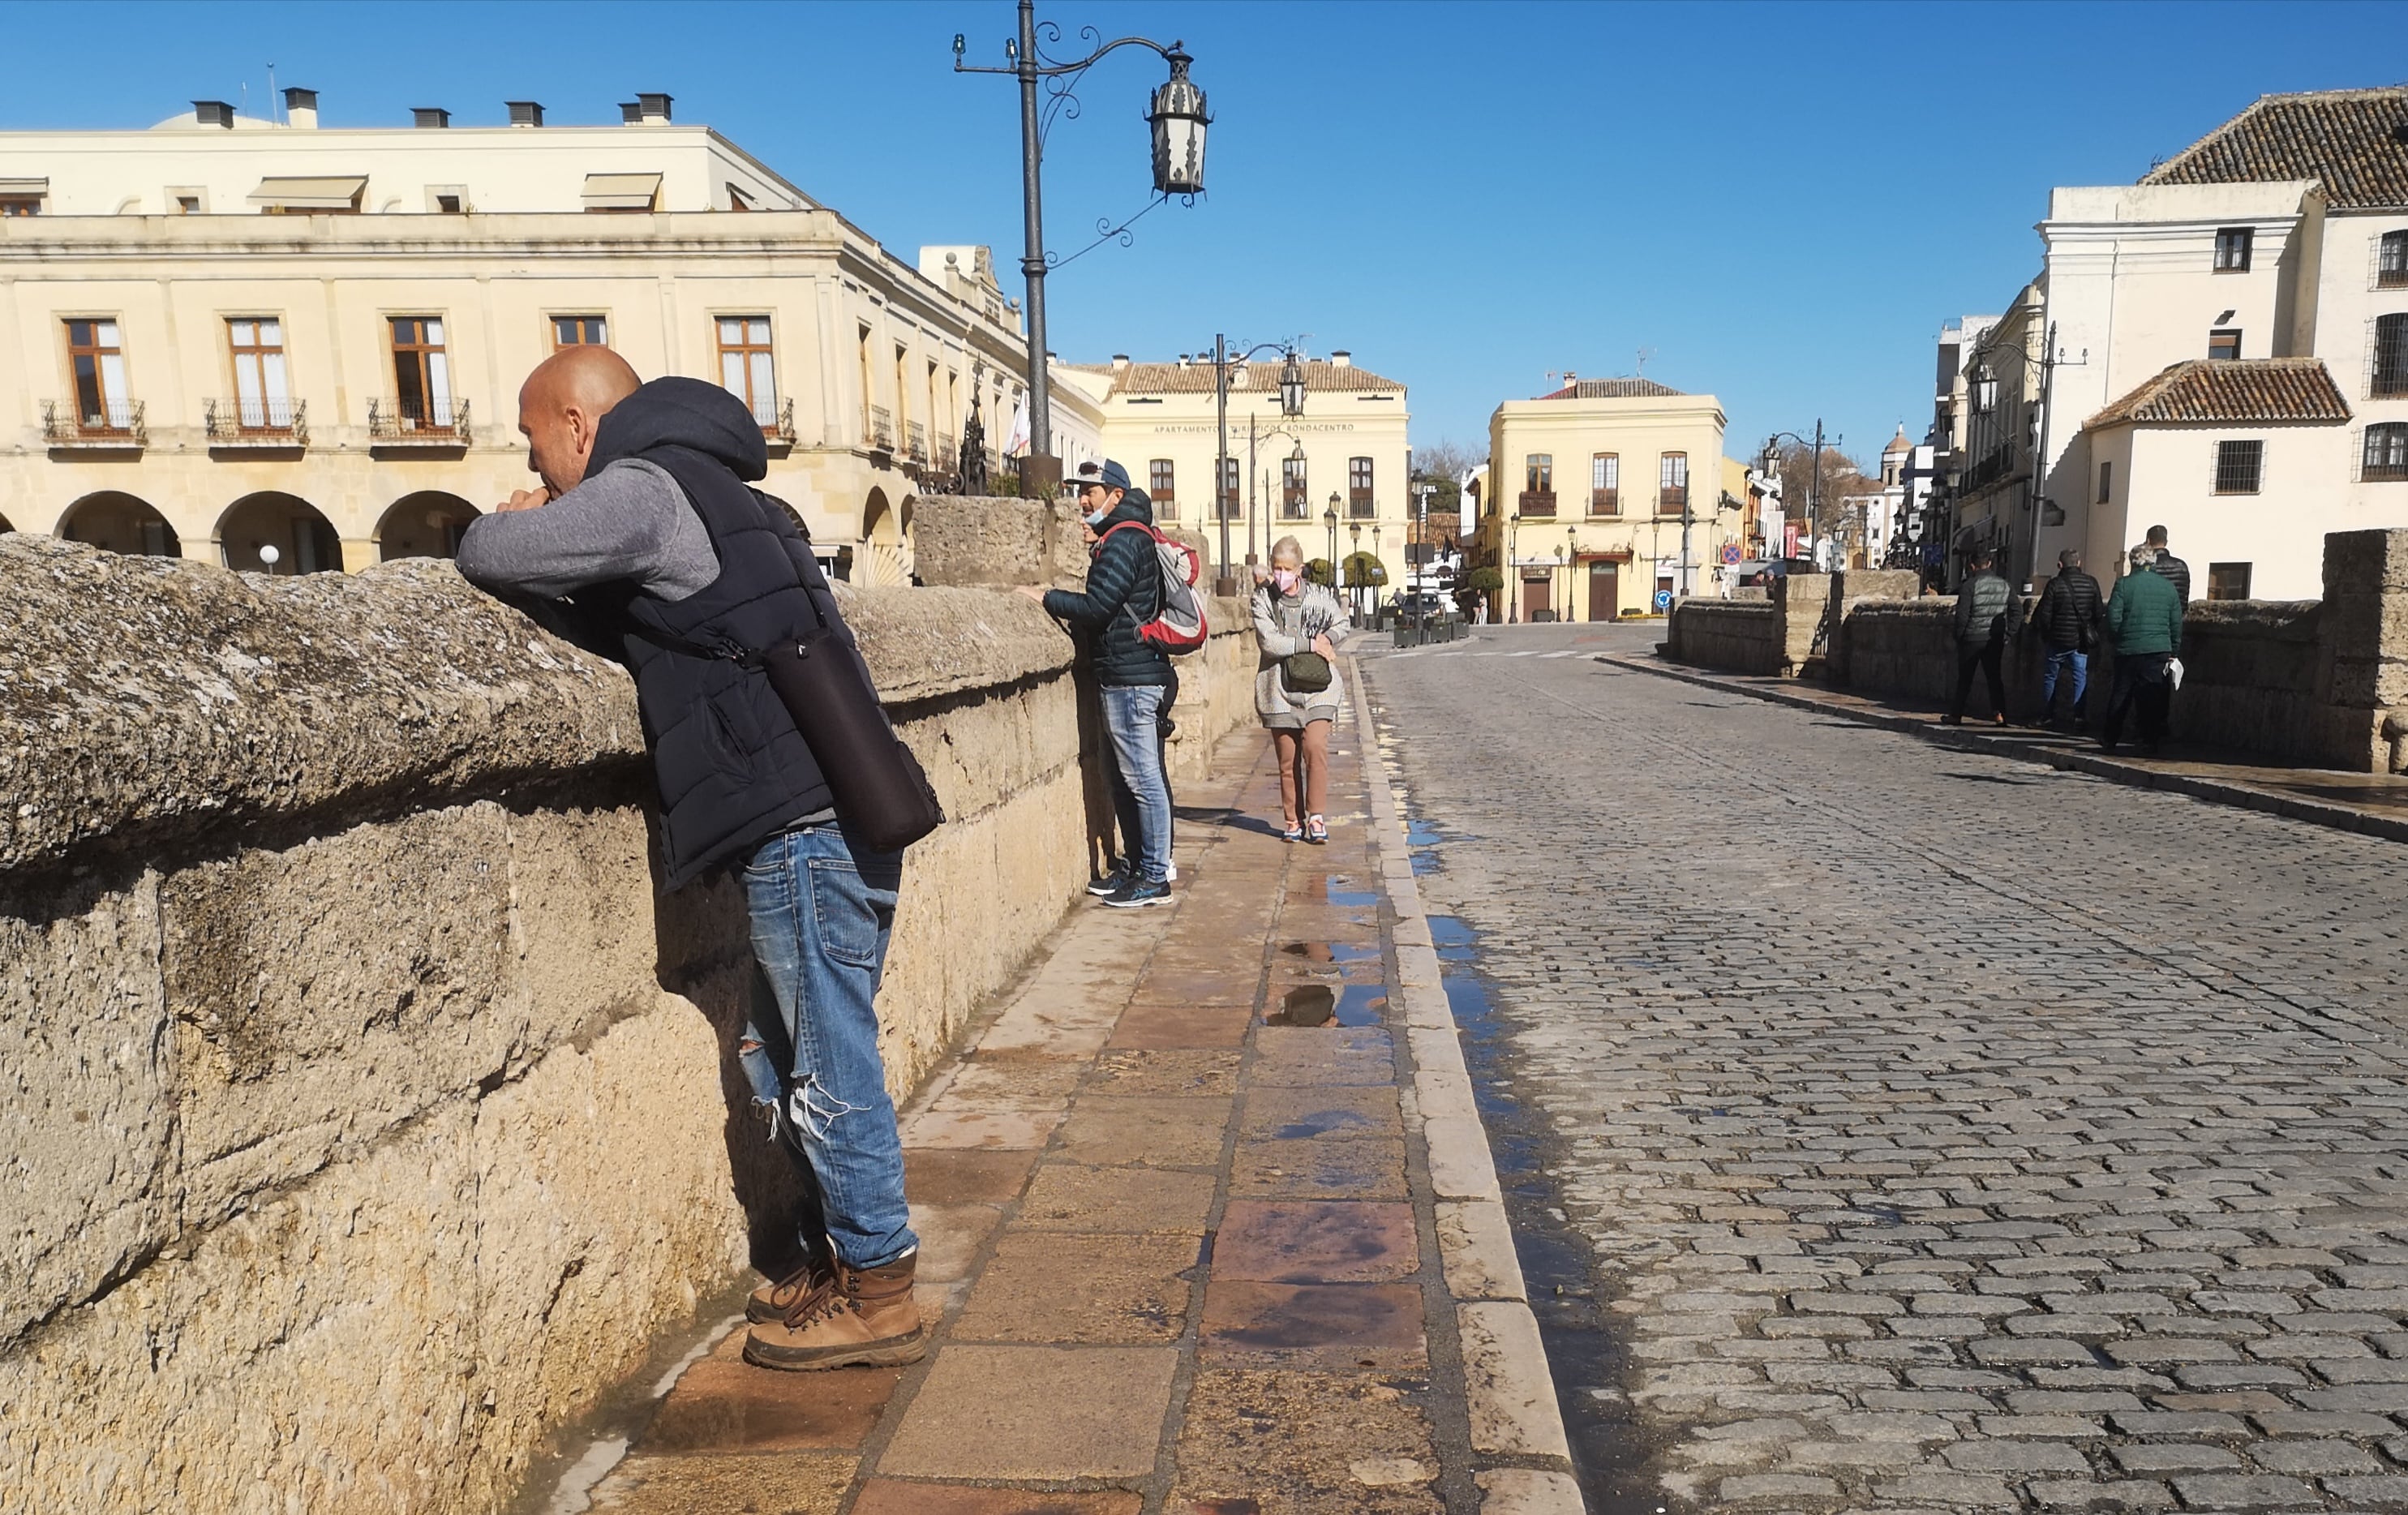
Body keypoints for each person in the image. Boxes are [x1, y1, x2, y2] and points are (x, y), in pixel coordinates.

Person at [453, 348, 925, 1374]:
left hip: (798, 823)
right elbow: (647, 627)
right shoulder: (725, 493)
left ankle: (881, 1284)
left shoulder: (643, 487)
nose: (532, 458)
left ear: (577, 425)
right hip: (836, 810)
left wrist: (517, 512)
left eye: (534, 439)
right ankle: (834, 1261)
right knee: (783, 1047)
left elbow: (486, 551)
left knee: (827, 1055)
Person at [1019, 458, 1174, 908]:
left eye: (1091, 489)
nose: (1082, 498)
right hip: (1124, 673)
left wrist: (1046, 597)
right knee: (1122, 777)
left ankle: (1154, 875)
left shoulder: (1123, 540)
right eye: (1079, 490)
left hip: (1131, 678)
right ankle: (1136, 866)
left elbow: (1100, 606)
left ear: (1116, 496)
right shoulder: (1122, 536)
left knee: (1142, 779)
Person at [1251, 535, 1350, 843]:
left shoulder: (1319, 596)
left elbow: (1342, 623)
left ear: (1300, 568)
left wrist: (1330, 638)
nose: (1281, 574)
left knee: (1315, 747)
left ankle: (1317, 816)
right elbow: (1269, 641)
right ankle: (1293, 820)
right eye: (1277, 568)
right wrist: (1310, 644)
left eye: (1287, 568)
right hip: (1278, 688)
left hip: (1319, 687)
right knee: (1287, 758)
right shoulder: (1262, 599)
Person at [2101, 541, 2184, 756]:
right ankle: (2150, 740)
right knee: (2152, 697)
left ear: (2133, 562)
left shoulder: (2124, 585)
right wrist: (2174, 648)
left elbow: (2112, 618)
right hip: (2158, 649)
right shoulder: (2167, 587)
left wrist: (2118, 638)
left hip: (2128, 650)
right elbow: (2176, 622)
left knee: (2121, 694)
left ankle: (2110, 738)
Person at [1944, 547, 2023, 726]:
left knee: (1965, 678)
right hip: (1994, 638)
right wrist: (2008, 633)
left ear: (1972, 566)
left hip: (1972, 637)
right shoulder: (2005, 585)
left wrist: (1960, 636)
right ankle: (1999, 714)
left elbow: (1962, 616)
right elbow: (2017, 611)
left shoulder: (1969, 586)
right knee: (1994, 678)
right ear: (1989, 564)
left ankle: (1956, 715)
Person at [2032, 547, 2103, 729]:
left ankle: (2048, 715)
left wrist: (2048, 635)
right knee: (2080, 677)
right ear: (2078, 563)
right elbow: (2098, 612)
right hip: (2080, 642)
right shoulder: (2091, 583)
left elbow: (2045, 615)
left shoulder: (2055, 584)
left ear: (2060, 564)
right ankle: (2079, 716)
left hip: (2057, 640)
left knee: (2050, 677)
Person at [2144, 524, 2191, 603]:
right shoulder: (2182, 566)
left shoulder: (2146, 566)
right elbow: (2184, 596)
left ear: (2148, 541)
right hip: (2177, 613)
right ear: (2166, 542)